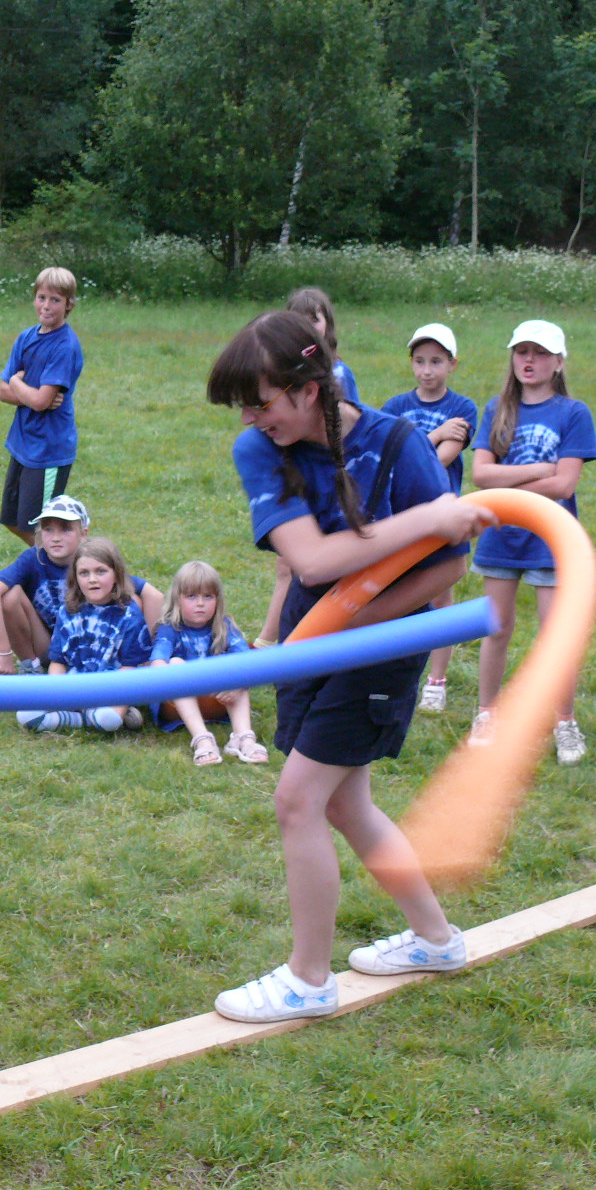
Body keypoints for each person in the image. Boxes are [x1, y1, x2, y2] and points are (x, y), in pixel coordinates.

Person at [204, 310, 495, 1024]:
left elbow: (450, 563)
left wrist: (366, 623)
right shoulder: (260, 449)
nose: (249, 418)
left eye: (260, 402)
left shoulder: (398, 446)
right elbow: (311, 561)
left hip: (381, 648)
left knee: (298, 801)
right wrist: (426, 519)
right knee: (343, 804)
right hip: (314, 638)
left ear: (309, 389)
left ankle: (309, 979)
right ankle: (436, 940)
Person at [468, 320, 596, 764]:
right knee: (496, 628)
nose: (529, 360)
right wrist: (540, 470)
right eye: (522, 351)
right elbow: (480, 475)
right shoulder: (497, 409)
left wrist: (508, 488)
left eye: (541, 353)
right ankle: (487, 713)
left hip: (551, 538)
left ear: (558, 362)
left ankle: (564, 721)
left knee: (555, 634)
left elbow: (565, 485)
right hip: (501, 537)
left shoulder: (573, 413)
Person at [255, 288, 361, 649]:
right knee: (287, 563)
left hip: (328, 478)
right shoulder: (279, 374)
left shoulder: (340, 372)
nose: (306, 325)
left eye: (313, 318)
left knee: (317, 564)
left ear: (327, 324)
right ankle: (273, 638)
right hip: (293, 474)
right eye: (298, 318)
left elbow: (350, 426)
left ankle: (305, 636)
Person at [382, 323, 478, 712]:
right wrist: (436, 432)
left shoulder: (463, 409)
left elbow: (438, 462)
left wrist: (425, 442)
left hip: (444, 516)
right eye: (420, 361)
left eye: (436, 362)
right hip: (400, 515)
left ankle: (436, 681)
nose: (427, 370)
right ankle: (394, 671)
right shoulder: (394, 408)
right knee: (397, 592)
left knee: (440, 595)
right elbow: (390, 462)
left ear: (452, 364)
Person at [0, 494, 162, 674]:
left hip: (92, 640)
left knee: (132, 599)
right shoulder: (33, 558)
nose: (56, 538)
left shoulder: (92, 559)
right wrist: (4, 652)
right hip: (49, 643)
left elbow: (154, 595)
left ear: (83, 534)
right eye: (48, 529)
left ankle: (130, 661)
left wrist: (153, 657)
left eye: (66, 529)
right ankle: (30, 666)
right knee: (10, 596)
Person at [16, 536, 153, 733]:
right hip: (74, 686)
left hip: (112, 689)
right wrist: (58, 693)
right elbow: (57, 662)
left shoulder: (130, 615)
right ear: (75, 578)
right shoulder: (67, 611)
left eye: (101, 571)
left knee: (109, 720)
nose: (92, 579)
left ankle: (99, 716)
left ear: (117, 574)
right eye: (84, 573)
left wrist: (107, 698)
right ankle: (86, 718)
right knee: (26, 715)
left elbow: (130, 669)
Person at [0, 267, 84, 545]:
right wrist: (28, 394)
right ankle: (64, 562)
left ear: (68, 304)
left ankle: (77, 563)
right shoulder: (26, 338)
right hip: (22, 443)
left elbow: (40, 401)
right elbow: (3, 392)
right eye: (42, 297)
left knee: (42, 529)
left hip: (48, 450)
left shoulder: (64, 346)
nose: (46, 305)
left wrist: (17, 383)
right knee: (12, 521)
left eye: (55, 300)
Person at [150, 560, 266, 765]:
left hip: (219, 699)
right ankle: (202, 740)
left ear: (218, 599)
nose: (200, 603)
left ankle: (244, 738)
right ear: (177, 599)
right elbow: (157, 663)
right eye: (191, 596)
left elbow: (249, 661)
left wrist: (238, 683)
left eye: (208, 596)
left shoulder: (224, 626)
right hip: (177, 703)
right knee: (175, 663)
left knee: (236, 665)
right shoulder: (169, 627)